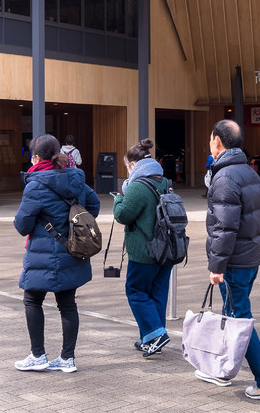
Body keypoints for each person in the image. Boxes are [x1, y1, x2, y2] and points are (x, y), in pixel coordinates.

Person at [195, 119, 260, 400]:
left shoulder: (226, 176)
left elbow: (225, 227)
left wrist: (216, 266)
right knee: (232, 314)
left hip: (234, 262)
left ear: (218, 141)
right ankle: (221, 369)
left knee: (239, 317)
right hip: (249, 257)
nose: (209, 143)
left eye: (210, 139)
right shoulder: (247, 172)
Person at [12, 134, 100, 373]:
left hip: (42, 253)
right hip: (71, 250)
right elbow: (93, 206)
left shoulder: (36, 183)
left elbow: (22, 225)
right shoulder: (76, 177)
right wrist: (73, 224)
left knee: (32, 300)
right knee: (67, 304)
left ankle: (38, 355)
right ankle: (67, 359)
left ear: (36, 157)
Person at [112, 138, 173, 357]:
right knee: (157, 293)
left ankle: (155, 334)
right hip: (166, 249)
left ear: (133, 165)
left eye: (127, 167)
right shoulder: (163, 181)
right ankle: (152, 338)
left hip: (145, 250)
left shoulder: (138, 186)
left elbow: (123, 215)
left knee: (136, 291)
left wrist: (118, 199)